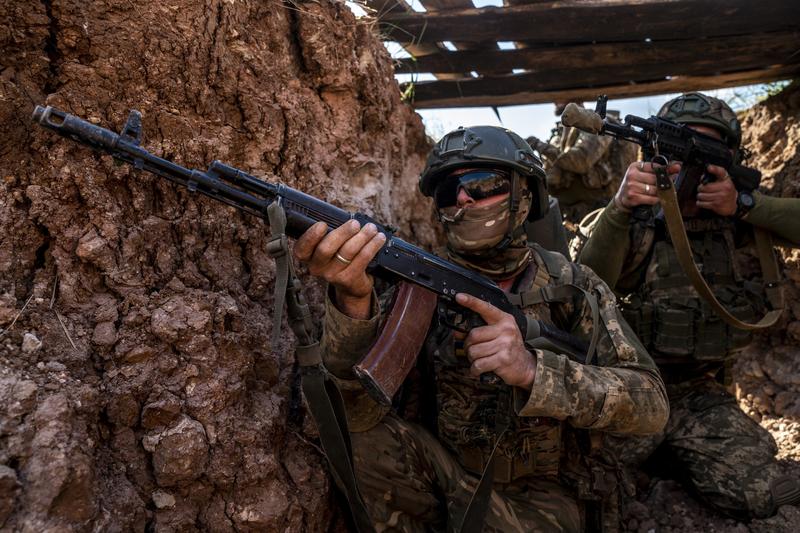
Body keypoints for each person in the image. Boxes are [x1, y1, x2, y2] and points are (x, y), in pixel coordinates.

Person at [294, 125, 669, 531]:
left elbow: (651, 406)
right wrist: (352, 302)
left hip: (542, 495)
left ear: (525, 196)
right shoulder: (418, 283)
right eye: (447, 191)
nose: (462, 198)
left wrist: (533, 371)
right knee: (363, 441)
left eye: (481, 184)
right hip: (443, 472)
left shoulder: (573, 287)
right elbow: (354, 413)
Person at [578, 92, 800, 520]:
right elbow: (585, 286)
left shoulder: (739, 222)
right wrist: (620, 209)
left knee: (759, 493)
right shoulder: (629, 220)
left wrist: (746, 205)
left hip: (700, 393)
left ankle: (680, 454)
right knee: (584, 487)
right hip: (627, 388)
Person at [527, 101, 639, 240]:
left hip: (595, 212)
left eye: (559, 94)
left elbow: (581, 160)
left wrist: (540, 146)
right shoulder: (567, 130)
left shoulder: (595, 123)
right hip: (572, 213)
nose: (555, 101)